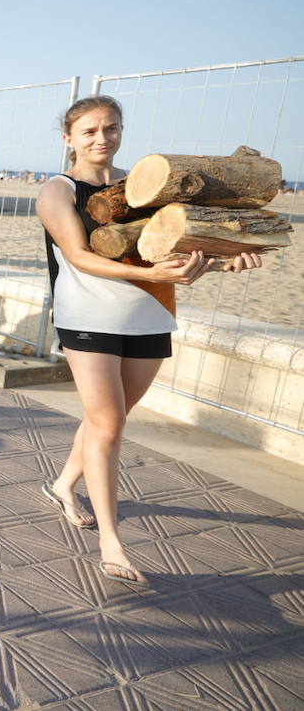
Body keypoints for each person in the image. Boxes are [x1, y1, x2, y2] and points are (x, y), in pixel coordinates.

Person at [35, 95, 262, 586]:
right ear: (68, 138)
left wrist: (226, 259)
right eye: (90, 131)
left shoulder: (146, 188)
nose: (102, 138)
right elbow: (77, 256)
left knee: (105, 422)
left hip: (151, 312)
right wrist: (157, 270)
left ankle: (61, 485)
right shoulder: (57, 190)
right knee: (110, 424)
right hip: (87, 315)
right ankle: (111, 544)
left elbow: (175, 250)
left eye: (111, 128)